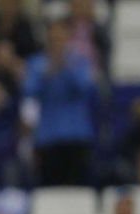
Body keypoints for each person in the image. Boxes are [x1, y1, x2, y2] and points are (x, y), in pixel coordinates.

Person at [22, 19, 96, 186]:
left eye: (60, 37)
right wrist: (48, 73)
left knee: (78, 191)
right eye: (53, 38)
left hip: (77, 136)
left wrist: (65, 67)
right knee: (49, 191)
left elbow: (85, 88)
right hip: (47, 137)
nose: (57, 42)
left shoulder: (80, 62)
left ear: (67, 38)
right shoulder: (36, 63)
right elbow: (29, 91)